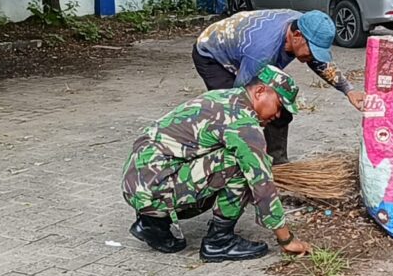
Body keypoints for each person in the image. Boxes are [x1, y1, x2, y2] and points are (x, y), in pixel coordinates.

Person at [122, 65, 313, 262]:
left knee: (225, 157)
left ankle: (152, 224)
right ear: (260, 91)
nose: (278, 115)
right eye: (279, 105)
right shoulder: (242, 123)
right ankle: (219, 242)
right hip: (154, 186)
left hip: (138, 181)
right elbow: (261, 182)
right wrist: (286, 239)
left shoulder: (222, 97)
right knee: (240, 165)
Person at [192, 9, 366, 164]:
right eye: (312, 50)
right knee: (235, 113)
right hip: (213, 56)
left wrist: (348, 90)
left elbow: (319, 63)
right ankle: (228, 164)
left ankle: (278, 162)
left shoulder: (305, 25)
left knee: (279, 110)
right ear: (296, 35)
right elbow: (241, 101)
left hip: (246, 51)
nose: (313, 56)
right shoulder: (262, 53)